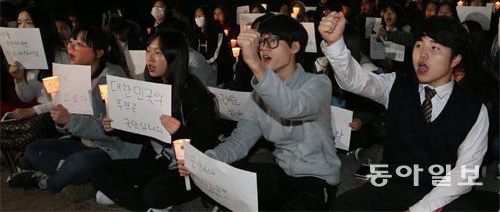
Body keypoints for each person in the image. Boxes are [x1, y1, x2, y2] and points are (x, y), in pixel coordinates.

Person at [319, 13, 494, 211]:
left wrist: (417, 210)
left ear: (455, 59)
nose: (423, 54)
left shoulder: (473, 109)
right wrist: (335, 45)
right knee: (343, 207)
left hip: (443, 191)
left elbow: (464, 174)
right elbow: (356, 80)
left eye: (435, 47)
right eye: (419, 45)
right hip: (394, 184)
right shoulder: (396, 84)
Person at [179, 15, 341, 211]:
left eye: (271, 41)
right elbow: (240, 141)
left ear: (294, 47)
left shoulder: (318, 84)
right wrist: (204, 161)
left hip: (316, 177)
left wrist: (255, 65)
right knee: (221, 175)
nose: (263, 48)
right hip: (281, 171)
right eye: (261, 42)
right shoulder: (259, 94)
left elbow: (291, 107)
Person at [91, 29, 220, 211]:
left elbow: (206, 144)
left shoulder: (194, 93)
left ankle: (134, 196)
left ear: (174, 56)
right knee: (100, 171)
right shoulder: (151, 88)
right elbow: (144, 135)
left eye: (158, 53)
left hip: (189, 169)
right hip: (162, 161)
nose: (150, 58)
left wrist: (179, 133)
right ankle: (144, 204)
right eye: (148, 51)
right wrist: (118, 126)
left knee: (153, 192)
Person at [8, 26, 142, 200]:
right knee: (33, 150)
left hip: (113, 149)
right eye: (70, 42)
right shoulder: (71, 75)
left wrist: (70, 121)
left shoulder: (112, 78)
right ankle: (79, 179)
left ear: (99, 52)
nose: (71, 48)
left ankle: (46, 181)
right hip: (85, 143)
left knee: (79, 164)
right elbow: (66, 128)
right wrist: (62, 122)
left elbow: (111, 133)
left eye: (79, 44)